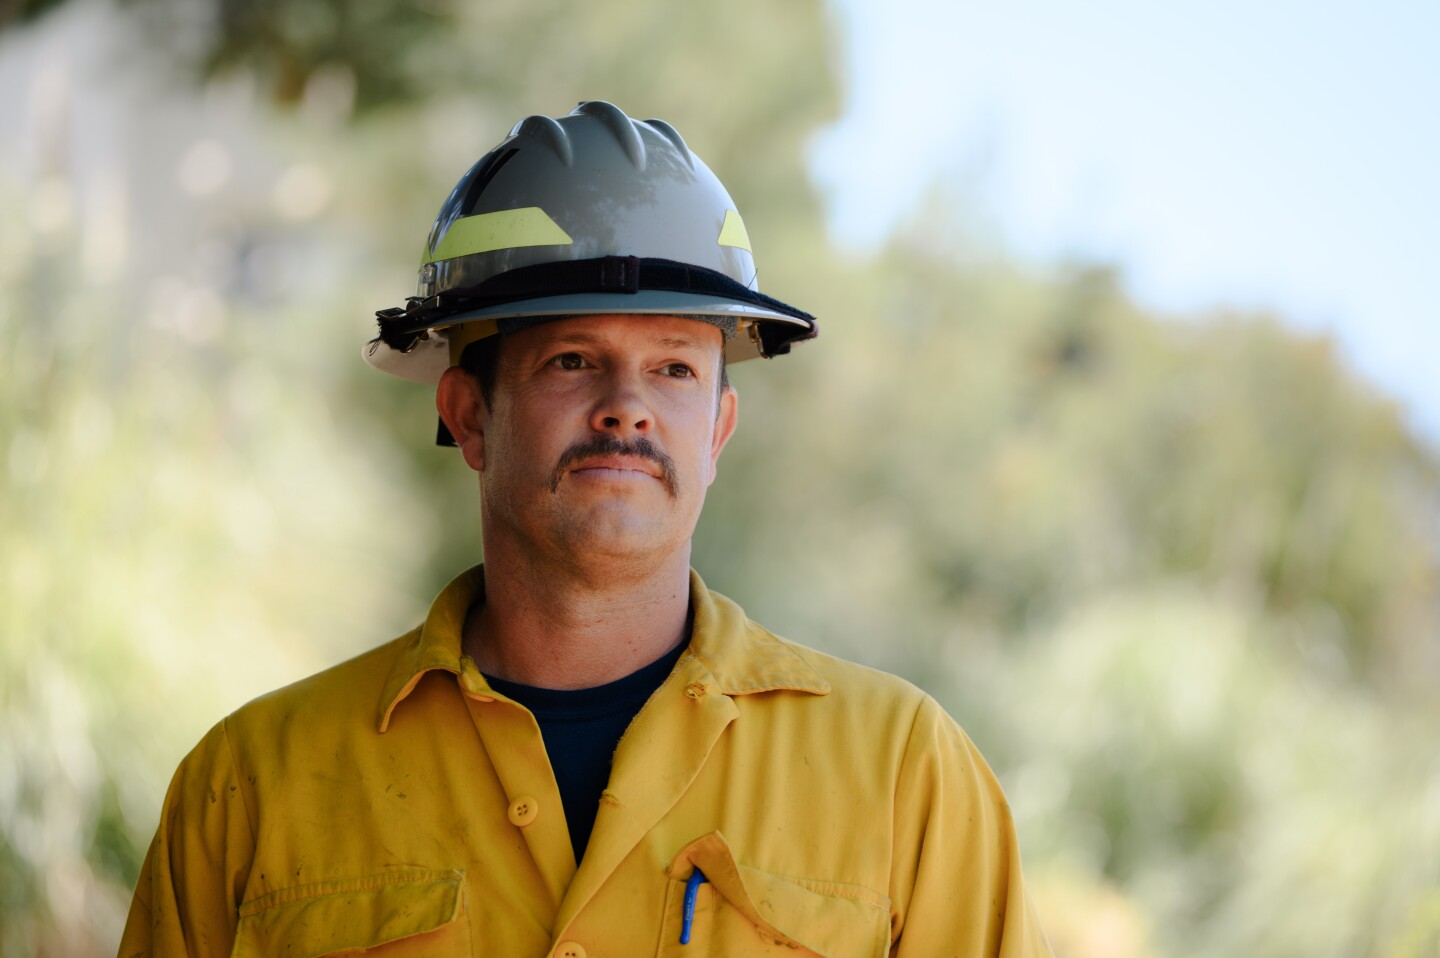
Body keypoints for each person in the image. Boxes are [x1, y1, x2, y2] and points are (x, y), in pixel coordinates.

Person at [119, 101, 1052, 957]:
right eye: (573, 359)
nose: (628, 409)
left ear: (719, 428)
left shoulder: (903, 778)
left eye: (676, 369)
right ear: (470, 415)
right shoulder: (250, 789)